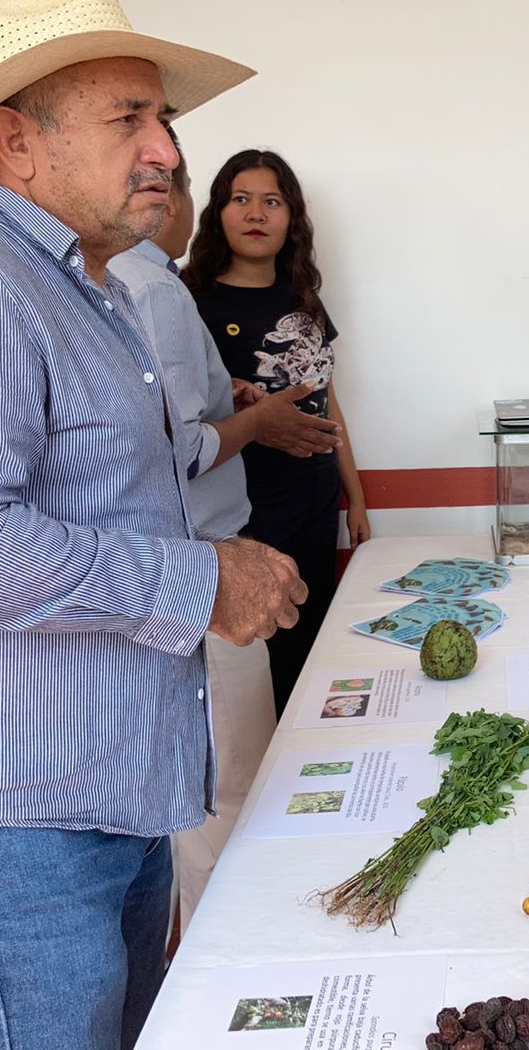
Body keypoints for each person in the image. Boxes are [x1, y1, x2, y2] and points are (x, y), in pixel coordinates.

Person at [0, 0, 314, 1050]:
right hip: (0, 823)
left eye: (165, 120)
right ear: (14, 138)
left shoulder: (85, 295)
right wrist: (202, 580)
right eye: (127, 118)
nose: (167, 152)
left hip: (95, 806)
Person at [110, 129, 331, 928]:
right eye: (230, 194)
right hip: (205, 567)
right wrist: (261, 419)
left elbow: (167, 413)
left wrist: (230, 398)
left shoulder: (106, 283)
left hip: (184, 562)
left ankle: (203, 927)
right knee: (229, 779)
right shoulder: (160, 290)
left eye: (271, 200)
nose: (248, 211)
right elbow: (181, 447)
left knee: (211, 768)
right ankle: (229, 943)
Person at [183, 149, 371, 713]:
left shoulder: (303, 300)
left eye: (272, 201)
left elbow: (327, 399)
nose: (256, 213)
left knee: (314, 640)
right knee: (262, 653)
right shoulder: (192, 302)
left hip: (316, 499)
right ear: (218, 212)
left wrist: (354, 499)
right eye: (241, 199)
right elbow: (181, 422)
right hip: (247, 511)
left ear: (292, 219)